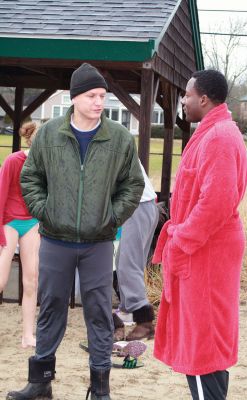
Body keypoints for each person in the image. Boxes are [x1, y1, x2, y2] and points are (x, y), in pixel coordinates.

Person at [6, 63, 144, 400]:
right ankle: (40, 384)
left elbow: (133, 185)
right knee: (50, 308)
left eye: (102, 95)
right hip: (55, 239)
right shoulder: (49, 134)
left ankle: (99, 391)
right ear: (74, 97)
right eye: (92, 95)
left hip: (98, 243)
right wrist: (45, 211)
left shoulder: (121, 139)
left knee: (98, 313)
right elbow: (31, 179)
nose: (99, 102)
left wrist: (112, 217)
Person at [152, 70, 247, 399]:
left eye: (186, 94)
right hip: (204, 250)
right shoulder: (214, 131)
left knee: (203, 346)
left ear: (203, 99)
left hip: (206, 252)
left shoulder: (219, 136)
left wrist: (181, 239)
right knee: (201, 338)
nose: (182, 100)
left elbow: (217, 201)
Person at [0, 122, 39, 349]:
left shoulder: (46, 165)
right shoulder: (14, 160)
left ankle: (27, 335)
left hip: (32, 223)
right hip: (9, 221)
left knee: (32, 281)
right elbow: (2, 192)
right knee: (2, 280)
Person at [113, 161, 159, 342]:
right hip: (143, 203)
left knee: (127, 265)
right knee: (126, 263)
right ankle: (127, 311)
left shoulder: (104, 138)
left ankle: (144, 321)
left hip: (136, 204)